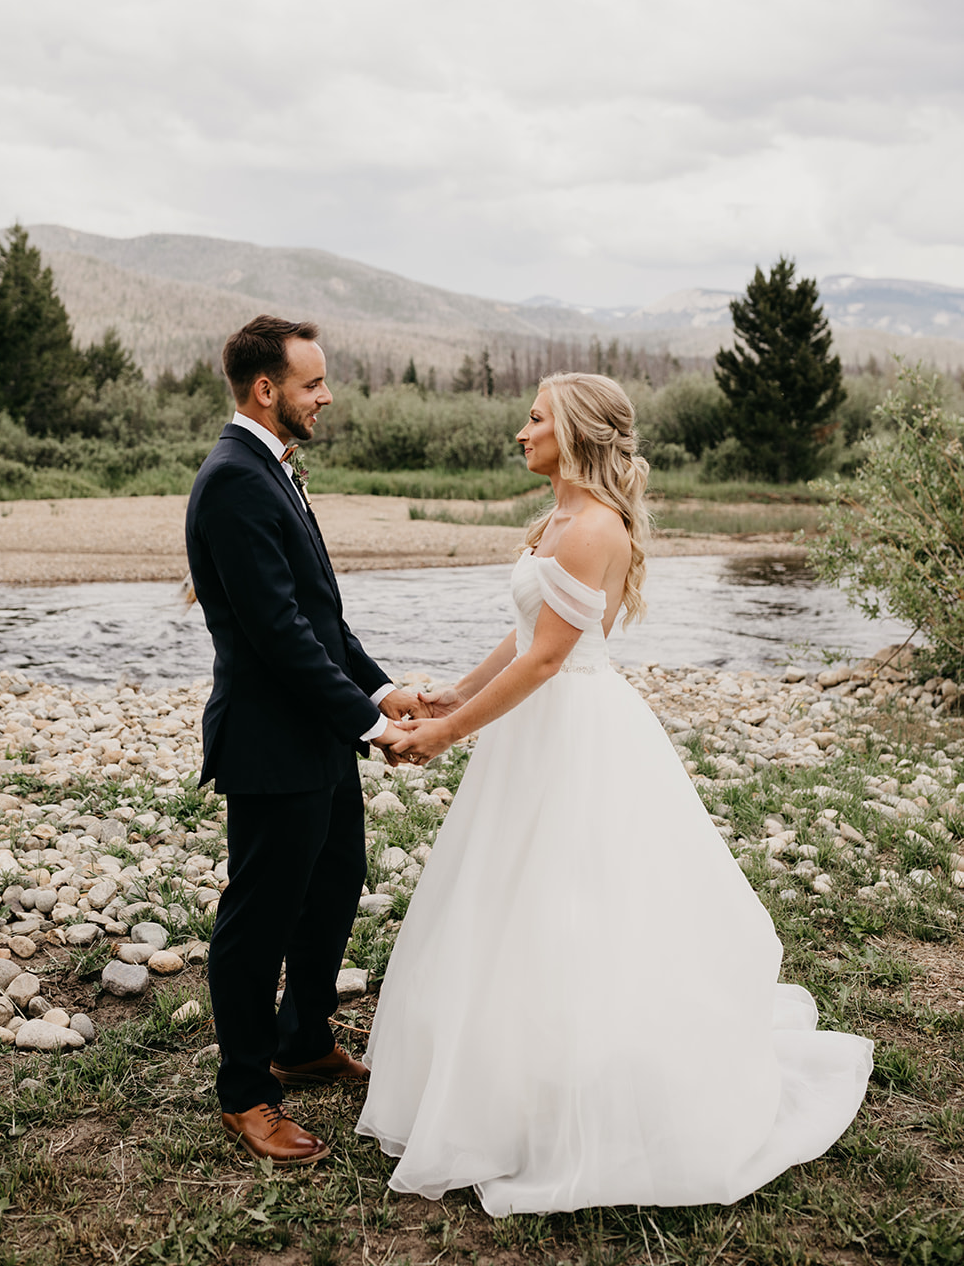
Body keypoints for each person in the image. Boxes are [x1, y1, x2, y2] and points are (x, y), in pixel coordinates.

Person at [357, 371, 873, 1215]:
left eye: (534, 419)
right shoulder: (554, 518)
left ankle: (588, 1088)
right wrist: (454, 691)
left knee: (579, 896)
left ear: (577, 434)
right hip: (535, 724)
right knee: (512, 895)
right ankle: (516, 1068)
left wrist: (447, 733)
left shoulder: (594, 527)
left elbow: (550, 659)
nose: (519, 431)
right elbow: (524, 632)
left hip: (575, 728)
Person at [185, 315, 424, 1167]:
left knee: (331, 889)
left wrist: (385, 688)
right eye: (312, 384)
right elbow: (279, 634)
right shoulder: (234, 480)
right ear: (265, 389)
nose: (325, 397)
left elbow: (323, 619)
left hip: (318, 732)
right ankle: (246, 1093)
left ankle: (303, 1037)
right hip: (269, 741)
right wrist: (370, 724)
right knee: (257, 920)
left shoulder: (274, 471)